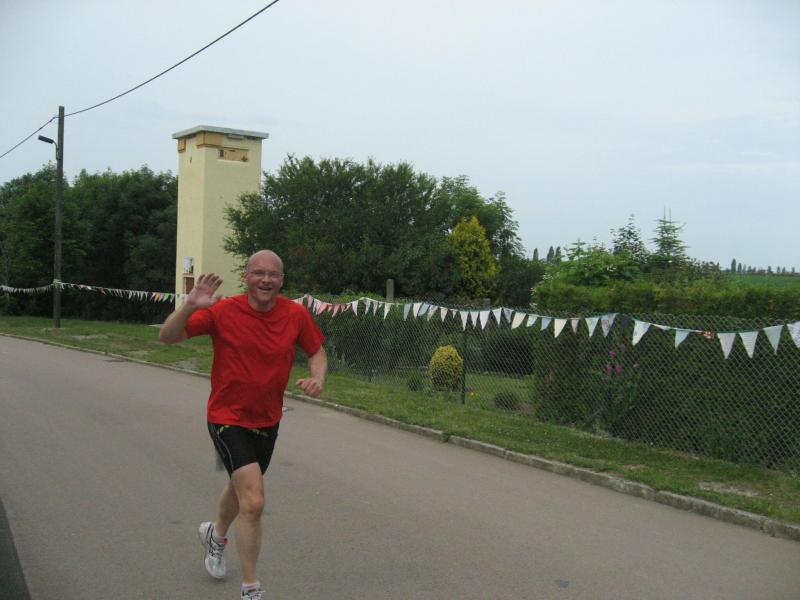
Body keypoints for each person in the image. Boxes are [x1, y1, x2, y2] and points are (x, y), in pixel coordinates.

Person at [159, 250, 327, 600]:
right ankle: (251, 587)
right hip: (226, 417)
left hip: (267, 419)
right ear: (246, 276)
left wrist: (317, 378)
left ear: (281, 280)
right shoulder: (222, 310)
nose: (266, 280)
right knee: (253, 500)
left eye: (273, 275)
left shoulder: (295, 314)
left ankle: (216, 534)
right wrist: (190, 306)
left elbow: (316, 351)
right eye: (259, 273)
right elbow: (168, 337)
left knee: (242, 489)